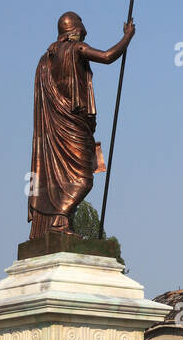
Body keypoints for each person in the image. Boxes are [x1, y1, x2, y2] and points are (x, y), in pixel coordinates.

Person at [28, 12, 135, 238]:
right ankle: (60, 220)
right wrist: (128, 37)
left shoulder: (44, 60)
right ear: (75, 28)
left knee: (71, 175)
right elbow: (107, 56)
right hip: (69, 123)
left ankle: (62, 221)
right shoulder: (76, 49)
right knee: (84, 179)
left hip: (65, 125)